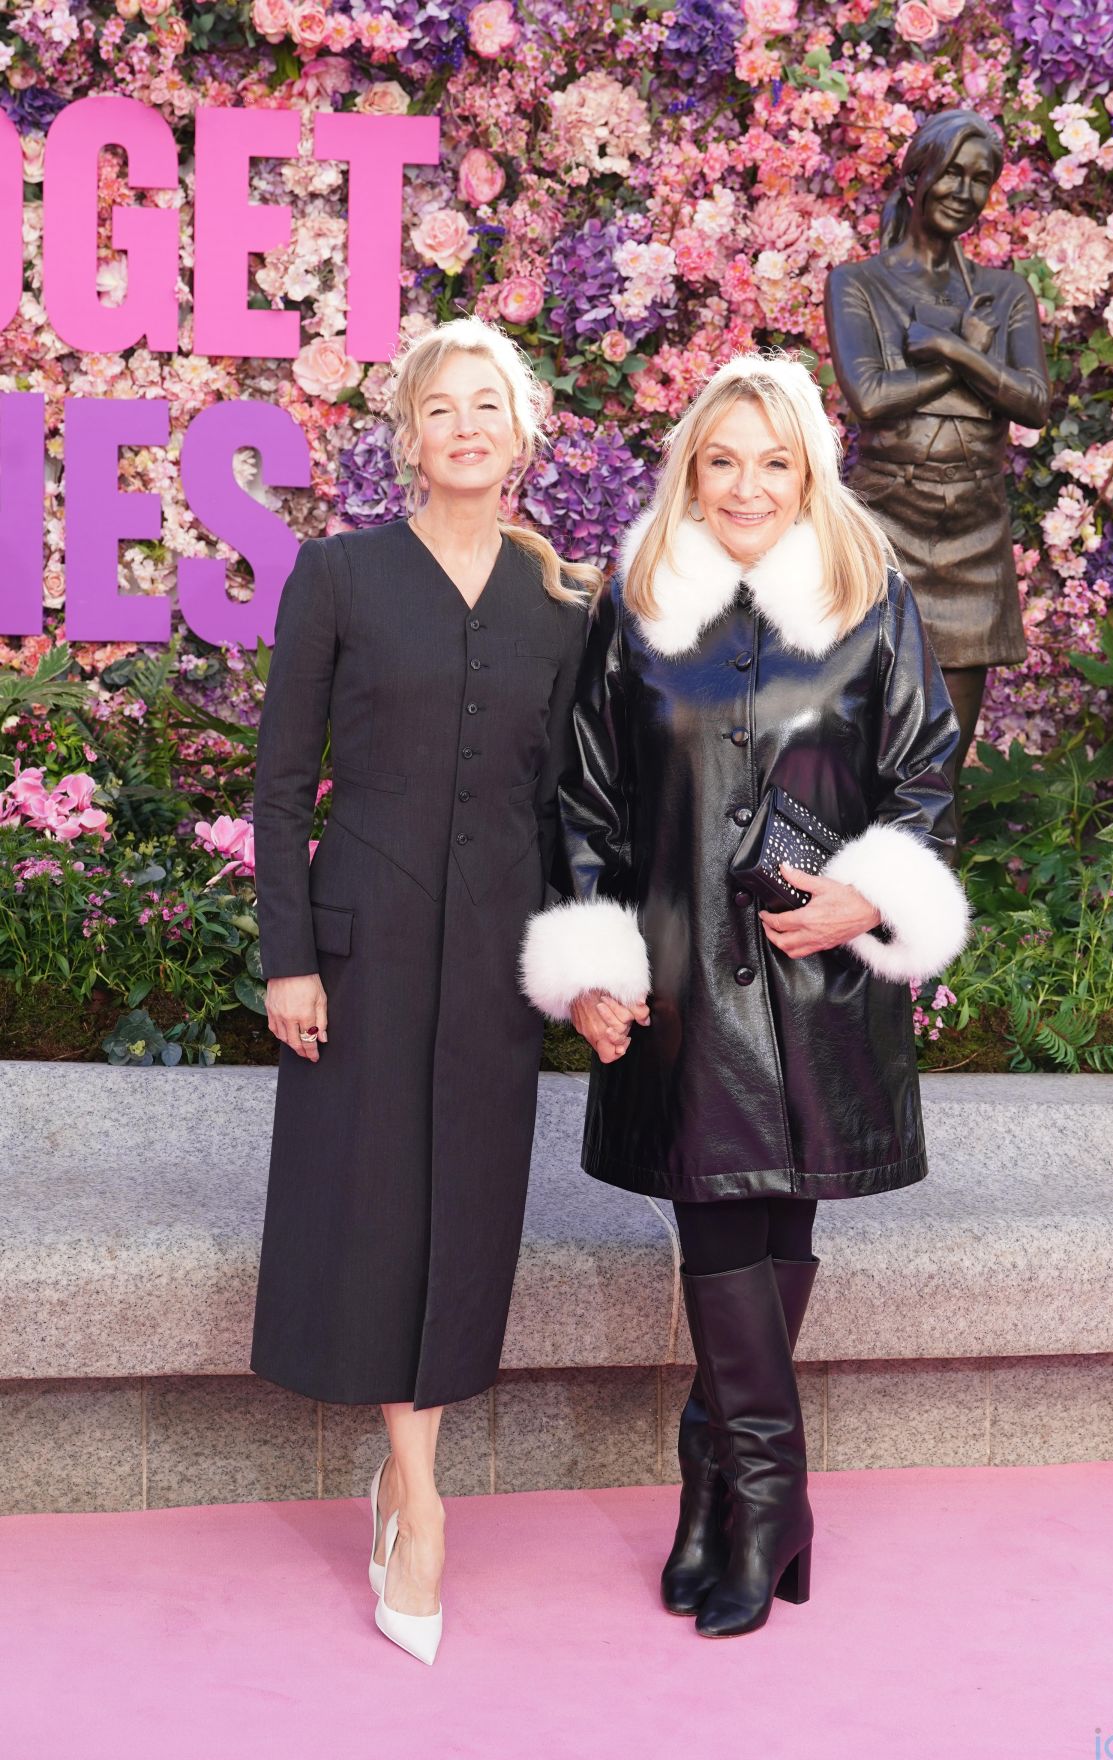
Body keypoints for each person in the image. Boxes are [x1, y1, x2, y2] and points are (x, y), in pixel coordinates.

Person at [519, 352, 971, 1639]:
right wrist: (592, 961)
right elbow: (584, 797)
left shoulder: (869, 598)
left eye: (774, 460)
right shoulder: (639, 603)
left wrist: (867, 895)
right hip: (683, 987)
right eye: (722, 460)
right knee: (720, 1223)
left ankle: (728, 1492)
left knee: (779, 1227)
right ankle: (763, 1498)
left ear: (810, 469)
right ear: (690, 471)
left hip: (821, 984)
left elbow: (927, 773)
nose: (748, 485)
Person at [250, 316, 594, 1665]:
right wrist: (289, 956)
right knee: (381, 1205)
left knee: (467, 1212)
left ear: (521, 437)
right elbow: (283, 784)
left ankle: (407, 1475)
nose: (465, 426)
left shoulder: (561, 608)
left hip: (498, 959)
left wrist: (582, 969)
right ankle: (421, 1499)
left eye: (487, 406)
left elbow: (567, 807)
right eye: (441, 407)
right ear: (410, 434)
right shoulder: (339, 575)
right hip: (361, 953)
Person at [824, 108, 1050, 845]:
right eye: (952, 172)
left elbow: (1033, 403)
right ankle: (849, 911)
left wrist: (950, 349)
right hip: (885, 530)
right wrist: (983, 370)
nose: (965, 191)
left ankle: (925, 917)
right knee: (864, 761)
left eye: (981, 179)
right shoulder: (857, 284)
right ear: (915, 177)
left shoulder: (1004, 294)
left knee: (940, 775)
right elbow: (870, 397)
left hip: (973, 537)